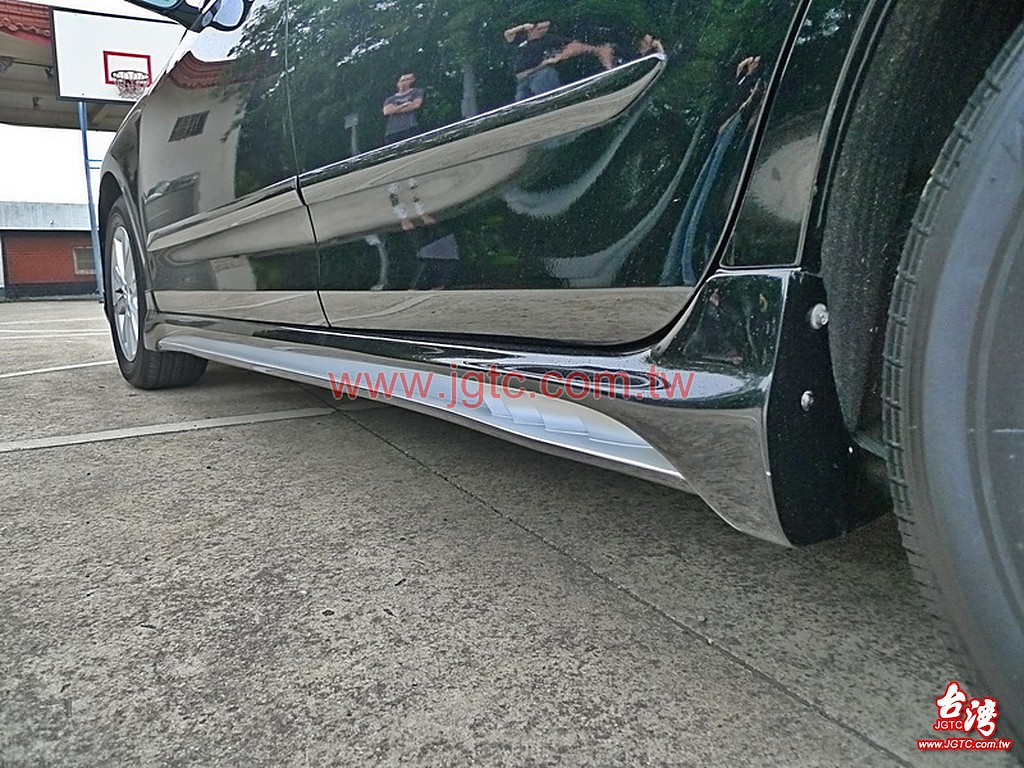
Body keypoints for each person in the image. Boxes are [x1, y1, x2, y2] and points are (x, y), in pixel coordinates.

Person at [504, 20, 614, 102]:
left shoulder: (548, 39)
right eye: (540, 28)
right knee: (523, 112)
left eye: (546, 28)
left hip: (540, 74)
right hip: (521, 80)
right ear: (531, 29)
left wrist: (559, 57)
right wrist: (522, 27)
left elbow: (574, 45)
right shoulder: (519, 40)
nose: (544, 31)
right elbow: (508, 34)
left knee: (550, 103)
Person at [383, 72, 424, 143]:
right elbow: (387, 111)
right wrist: (404, 105)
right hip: (393, 132)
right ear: (398, 83)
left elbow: (415, 105)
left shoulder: (416, 92)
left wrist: (395, 109)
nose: (404, 82)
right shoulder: (390, 99)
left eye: (408, 79)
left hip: (411, 128)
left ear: (412, 81)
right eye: (402, 80)